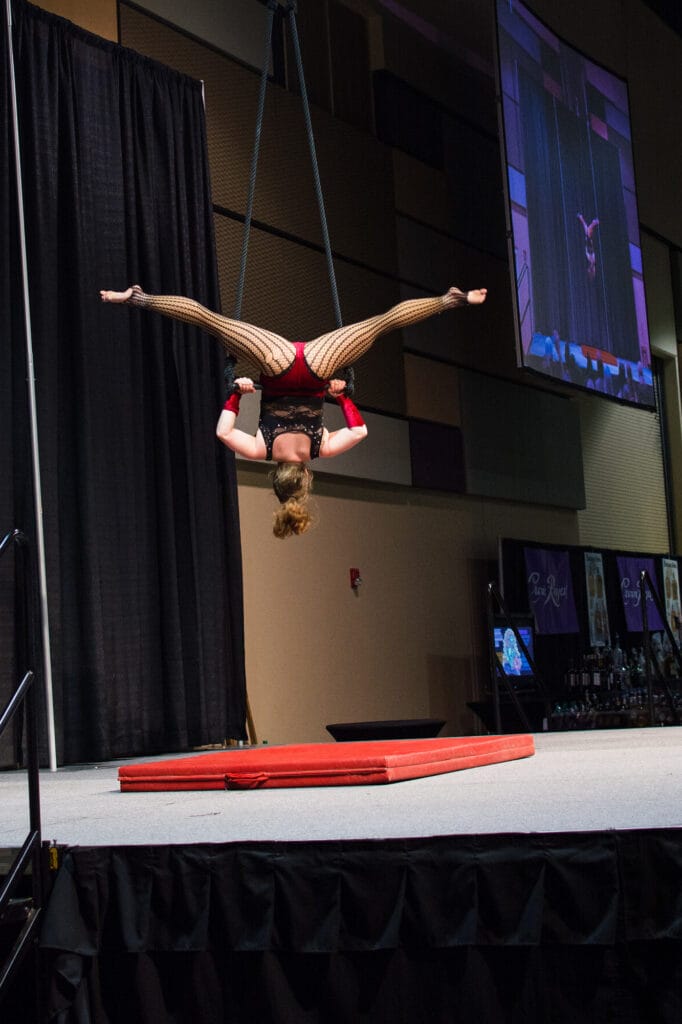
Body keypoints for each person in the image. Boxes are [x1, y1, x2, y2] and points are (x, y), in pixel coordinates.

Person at [100, 283, 487, 537]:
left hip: (318, 364)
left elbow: (359, 431)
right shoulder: (260, 450)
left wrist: (342, 397)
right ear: (277, 479)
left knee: (380, 324)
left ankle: (449, 300)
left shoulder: (320, 449)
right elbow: (222, 432)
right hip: (277, 363)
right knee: (210, 320)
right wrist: (237, 393)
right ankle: (139, 299)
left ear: (304, 476)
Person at [577, 213, 599, 280]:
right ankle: (594, 222)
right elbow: (593, 262)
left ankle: (582, 218)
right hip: (589, 246)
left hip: (588, 246)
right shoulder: (592, 261)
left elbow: (592, 262)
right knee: (587, 230)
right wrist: (591, 269)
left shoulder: (591, 261)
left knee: (586, 229)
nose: (588, 269)